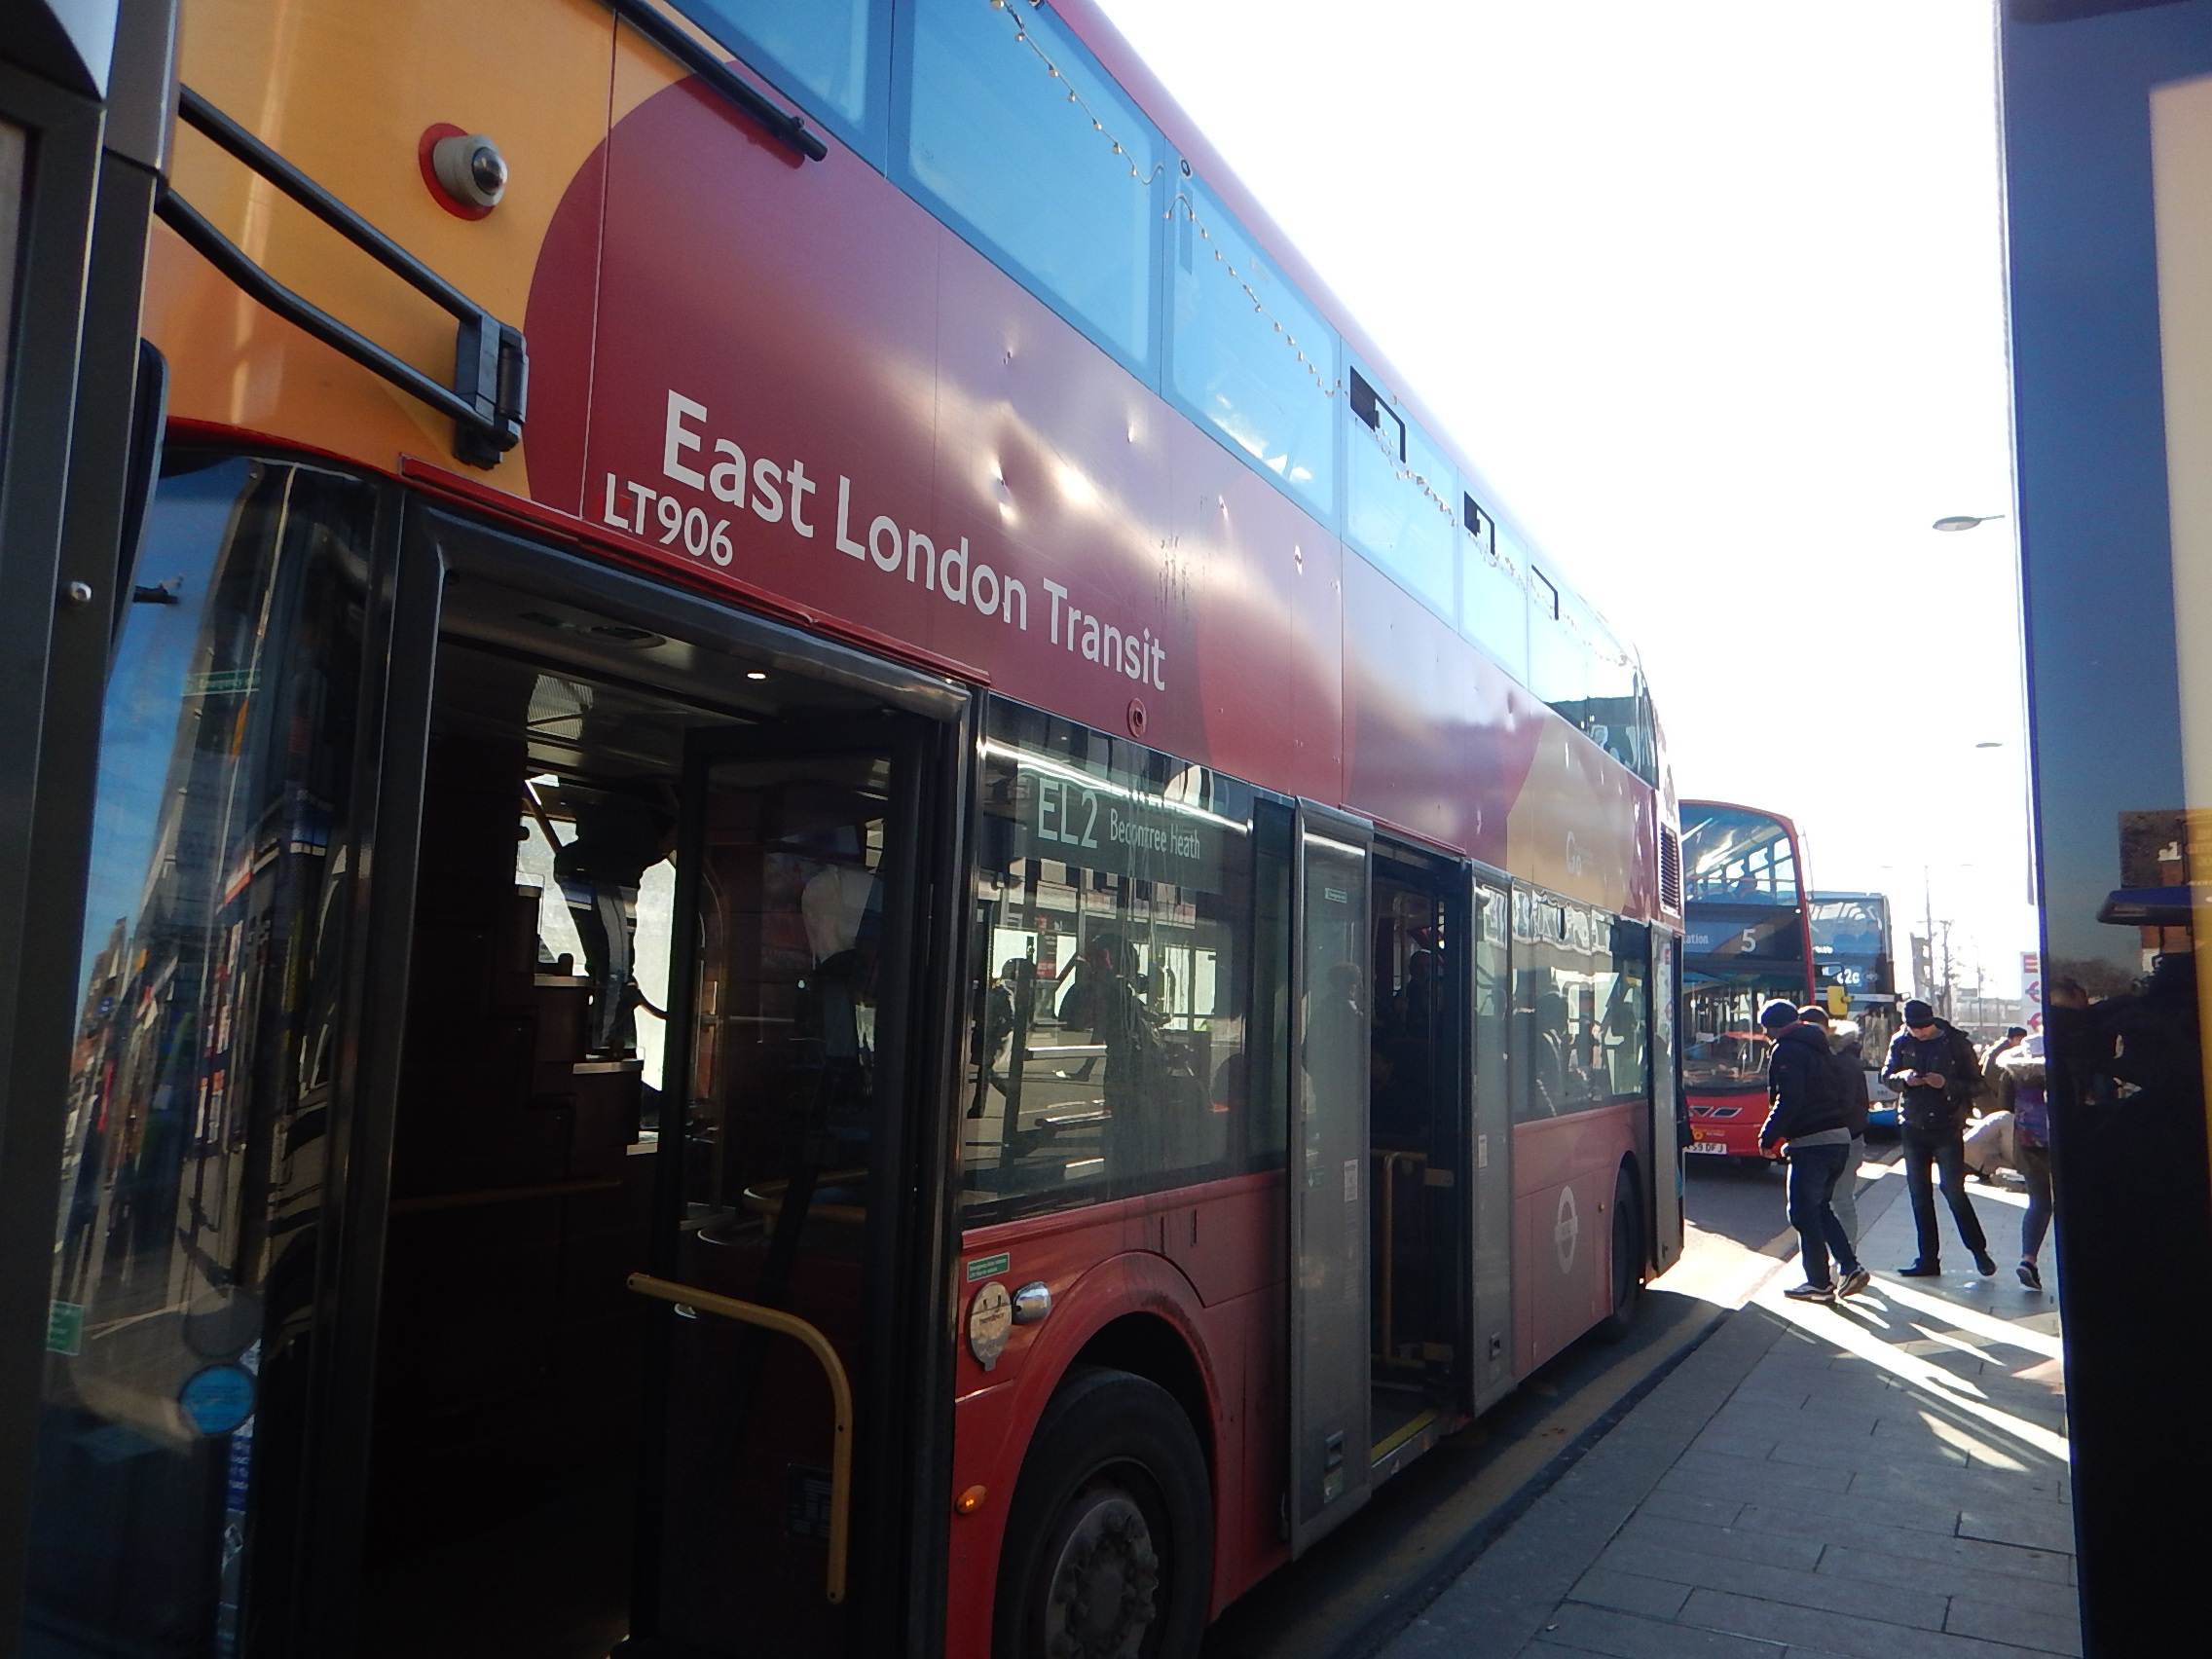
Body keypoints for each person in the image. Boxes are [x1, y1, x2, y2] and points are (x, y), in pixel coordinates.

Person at [1756, 998, 1867, 1303]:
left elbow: (1789, 1098)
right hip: (1838, 1138)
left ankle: (1819, 1283)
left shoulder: (1787, 1049)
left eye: (1765, 1029)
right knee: (1820, 1207)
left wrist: (1768, 1136)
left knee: (1802, 1213)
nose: (1765, 1035)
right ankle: (1850, 1267)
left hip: (1811, 1142)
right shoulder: (1822, 1047)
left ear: (1773, 1028)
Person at [1882, 998, 1997, 1276]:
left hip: (1947, 1124)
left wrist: (1946, 1083)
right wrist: (1904, 1078)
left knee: (1953, 1189)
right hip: (1913, 1124)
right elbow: (1887, 1076)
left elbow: (1979, 1084)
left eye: (1923, 1027)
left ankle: (1979, 1251)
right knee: (1919, 1195)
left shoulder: (1955, 1042)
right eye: (1914, 1028)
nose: (1919, 1033)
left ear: (1932, 1022)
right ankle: (1928, 1259)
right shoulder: (1900, 1040)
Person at [1798, 1006, 1870, 1251]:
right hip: (1837, 1136)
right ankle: (1837, 1258)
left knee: (1839, 1200)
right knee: (1824, 1202)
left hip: (1844, 1138)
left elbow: (1843, 1104)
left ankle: (1847, 1258)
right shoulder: (1827, 1056)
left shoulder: (1840, 1059)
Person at [1996, 1034, 2054, 1290]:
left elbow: (2004, 1106)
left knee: (2039, 1203)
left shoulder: (2014, 1074)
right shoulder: (2061, 1071)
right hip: (2061, 1142)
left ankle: (2028, 1259)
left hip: (2028, 1142)